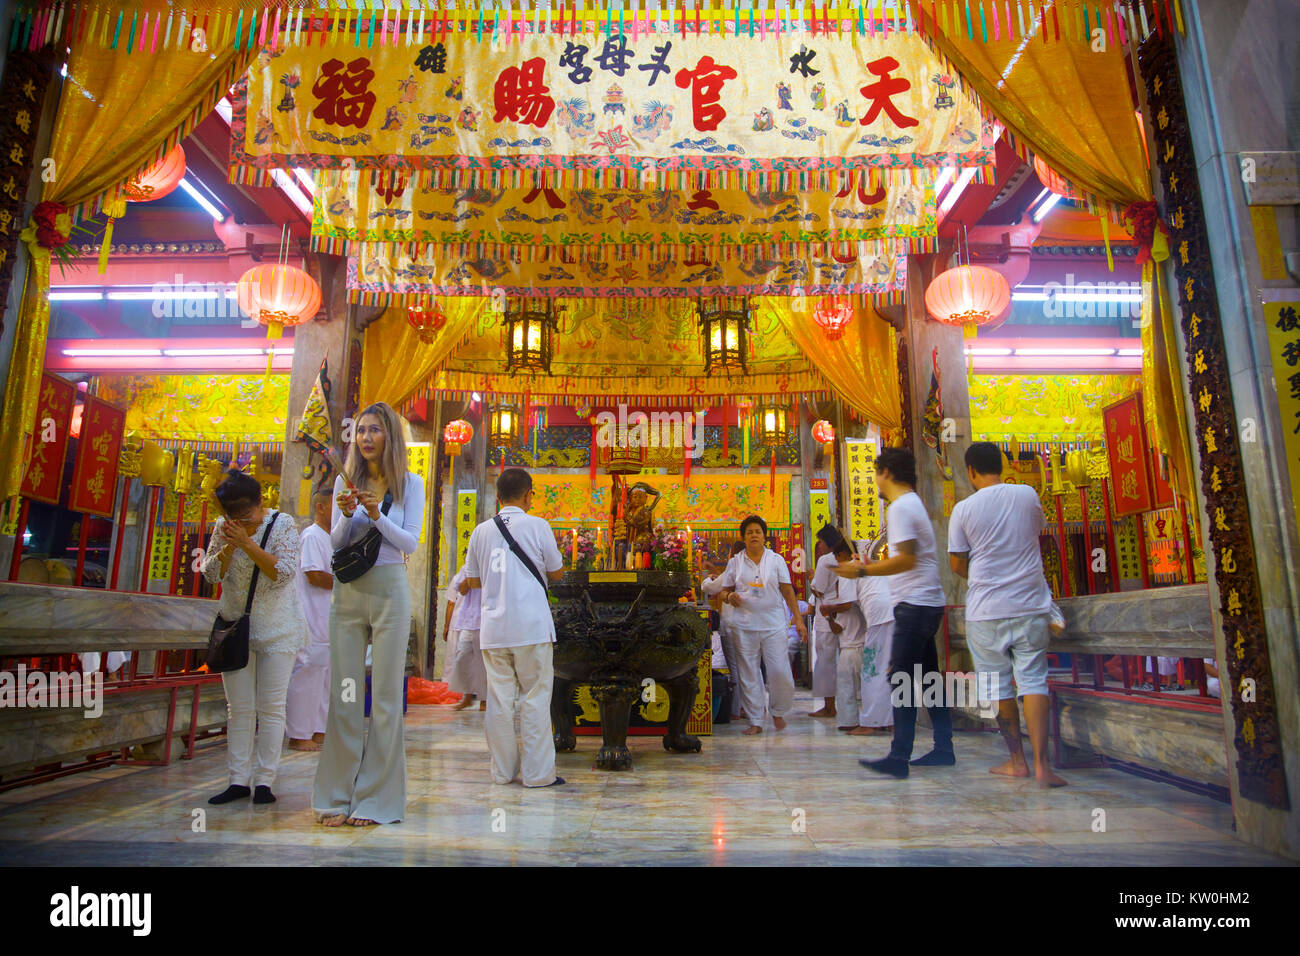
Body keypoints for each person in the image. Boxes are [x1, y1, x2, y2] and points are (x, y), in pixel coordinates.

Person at [313, 402, 425, 826]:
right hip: (349, 591)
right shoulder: (351, 481)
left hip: (389, 590)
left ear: (390, 437)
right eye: (360, 431)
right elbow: (339, 544)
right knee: (344, 694)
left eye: (374, 430)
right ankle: (337, 795)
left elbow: (409, 543)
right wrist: (345, 516)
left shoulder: (409, 484)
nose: (365, 438)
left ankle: (378, 799)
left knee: (383, 699)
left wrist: (377, 514)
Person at [948, 442, 1067, 788]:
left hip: (986, 610)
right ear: (1000, 465)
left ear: (970, 471)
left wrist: (986, 576)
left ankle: (1017, 761)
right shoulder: (1027, 495)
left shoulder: (964, 509)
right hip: (1030, 605)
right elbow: (1035, 533)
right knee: (1033, 680)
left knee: (999, 686)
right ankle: (1044, 766)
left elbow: (957, 562)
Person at [836, 446, 953, 778]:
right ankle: (944, 747)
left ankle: (899, 756)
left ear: (886, 472)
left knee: (899, 675)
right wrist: (869, 565)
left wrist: (862, 572)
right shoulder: (911, 504)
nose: (874, 480)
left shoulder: (901, 507)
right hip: (926, 601)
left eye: (875, 473)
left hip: (915, 605)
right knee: (929, 678)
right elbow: (908, 558)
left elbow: (907, 559)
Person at [201, 469, 305, 806]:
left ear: (260, 503)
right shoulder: (223, 528)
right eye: (232, 515)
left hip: (278, 628)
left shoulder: (283, 525)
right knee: (239, 708)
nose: (239, 520)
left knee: (271, 707)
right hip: (235, 627)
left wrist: (248, 542)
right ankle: (237, 780)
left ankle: (264, 780)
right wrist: (229, 547)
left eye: (245, 514)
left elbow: (283, 573)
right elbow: (210, 574)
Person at [463, 467, 566, 787]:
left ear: (497, 498)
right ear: (528, 495)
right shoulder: (538, 525)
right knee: (535, 698)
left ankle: (503, 772)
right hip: (532, 627)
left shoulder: (481, 531)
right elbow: (557, 573)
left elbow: (472, 580)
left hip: (494, 629)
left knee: (499, 700)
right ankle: (537, 775)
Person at [701, 514, 808, 736]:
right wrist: (729, 598)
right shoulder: (735, 562)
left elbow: (788, 591)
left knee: (779, 670)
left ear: (764, 535)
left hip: (773, 624)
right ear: (744, 537)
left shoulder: (776, 560)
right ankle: (756, 720)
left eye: (757, 531)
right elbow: (723, 591)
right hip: (744, 626)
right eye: (749, 532)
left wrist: (798, 619)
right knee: (748, 674)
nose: (753, 535)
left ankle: (778, 711)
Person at [816, 525, 894, 736]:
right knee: (886, 670)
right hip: (893, 613)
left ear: (841, 554)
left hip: (878, 619)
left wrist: (828, 609)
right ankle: (890, 721)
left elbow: (847, 604)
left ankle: (867, 723)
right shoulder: (866, 563)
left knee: (871, 673)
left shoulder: (849, 568)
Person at [286, 488, 334, 751]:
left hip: (327, 617)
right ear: (320, 507)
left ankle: (319, 729)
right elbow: (314, 575)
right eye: (333, 506)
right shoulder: (312, 536)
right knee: (307, 673)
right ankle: (298, 733)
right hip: (310, 616)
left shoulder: (331, 538)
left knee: (325, 676)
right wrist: (345, 582)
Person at [702, 540, 746, 720]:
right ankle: (751, 707)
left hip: (731, 625)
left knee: (735, 667)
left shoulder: (733, 567)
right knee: (749, 666)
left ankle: (736, 709)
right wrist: (717, 574)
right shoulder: (749, 568)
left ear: (732, 554)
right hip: (746, 624)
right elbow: (726, 582)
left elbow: (708, 588)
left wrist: (708, 578)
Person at [444, 563, 486, 710]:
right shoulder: (466, 567)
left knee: (483, 662)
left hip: (486, 618)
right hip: (469, 619)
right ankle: (467, 696)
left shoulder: (491, 564)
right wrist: (470, 578)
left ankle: (484, 700)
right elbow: (461, 591)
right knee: (462, 657)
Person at [807, 538, 841, 719]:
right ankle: (833, 705)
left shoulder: (826, 560)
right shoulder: (842, 559)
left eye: (821, 544)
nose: (819, 548)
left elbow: (818, 590)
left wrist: (812, 580)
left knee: (826, 662)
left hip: (826, 614)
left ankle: (829, 706)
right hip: (842, 614)